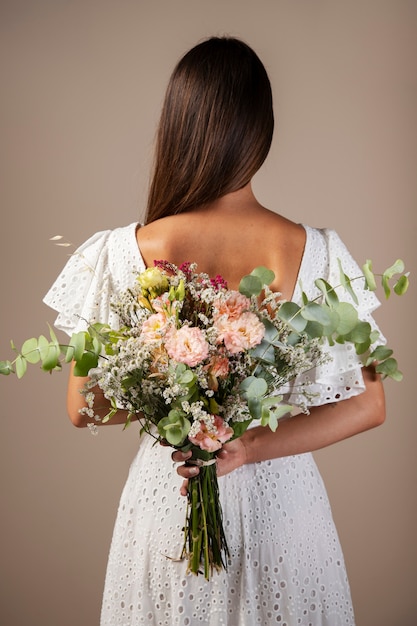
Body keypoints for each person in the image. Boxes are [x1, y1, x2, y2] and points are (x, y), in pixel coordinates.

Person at [44, 37, 386, 626]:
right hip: (286, 509)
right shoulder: (318, 253)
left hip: (168, 499)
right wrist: (246, 443)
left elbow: (84, 407)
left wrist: (177, 401)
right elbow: (370, 403)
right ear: (263, 130)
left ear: (177, 127)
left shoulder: (122, 253)